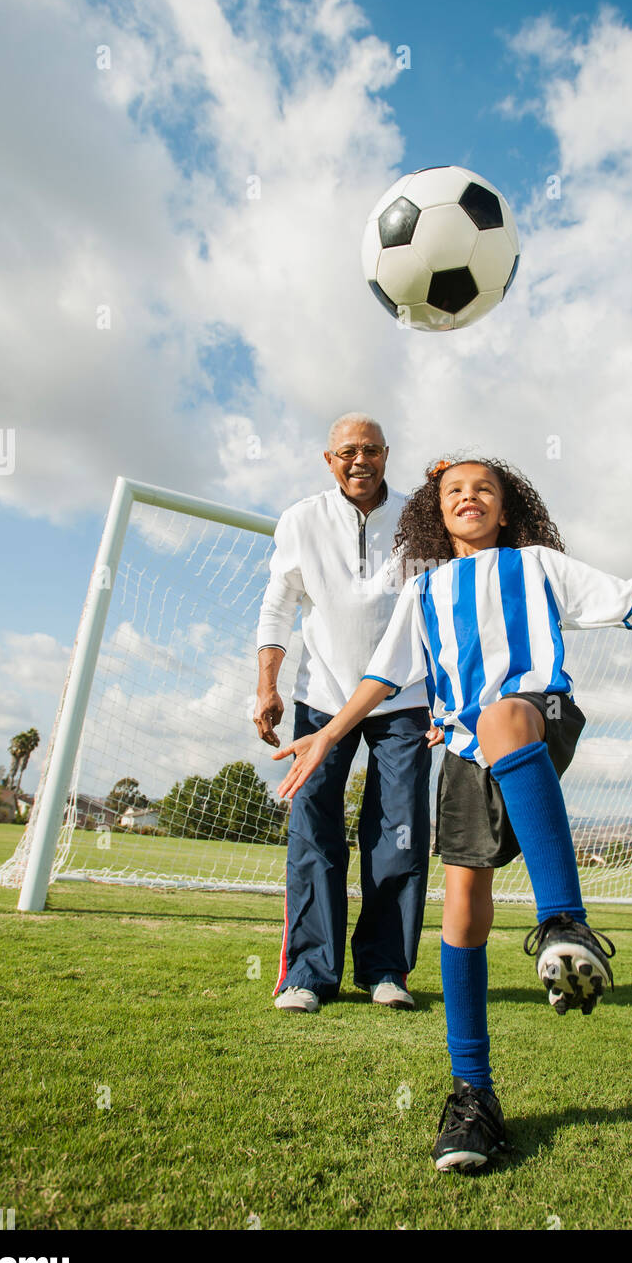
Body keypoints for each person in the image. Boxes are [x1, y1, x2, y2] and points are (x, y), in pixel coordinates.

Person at [273, 454, 632, 1169]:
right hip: (462, 753)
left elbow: (631, 593)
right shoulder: (423, 590)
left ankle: (563, 921)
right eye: (454, 490)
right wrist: (328, 734)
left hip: (537, 718)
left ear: (507, 507)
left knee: (506, 714)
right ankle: (473, 1097)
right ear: (435, 510)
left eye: (483, 488)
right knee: (461, 905)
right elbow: (380, 676)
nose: (468, 497)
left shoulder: (539, 565)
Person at [254, 413, 437, 1014]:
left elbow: (438, 616)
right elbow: (279, 607)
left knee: (400, 836)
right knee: (313, 833)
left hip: (404, 701)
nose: (360, 460)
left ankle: (385, 970)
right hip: (321, 699)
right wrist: (267, 687)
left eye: (372, 450)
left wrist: (449, 701)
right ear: (328, 460)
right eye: (347, 451)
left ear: (388, 455)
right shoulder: (301, 520)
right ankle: (309, 974)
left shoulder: (420, 519)